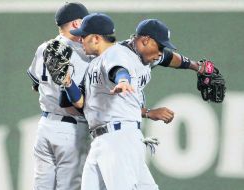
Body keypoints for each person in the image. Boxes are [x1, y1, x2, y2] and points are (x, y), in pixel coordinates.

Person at [62, 13, 160, 190]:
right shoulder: (95, 62)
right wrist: (67, 83)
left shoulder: (115, 53)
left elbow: (118, 70)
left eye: (84, 36)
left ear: (96, 38)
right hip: (105, 140)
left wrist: (123, 81)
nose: (80, 39)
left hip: (118, 138)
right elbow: (79, 103)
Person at [27, 2, 91, 190]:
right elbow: (73, 98)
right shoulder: (81, 54)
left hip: (45, 125)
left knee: (42, 186)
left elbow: (35, 85)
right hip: (71, 128)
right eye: (84, 23)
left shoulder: (44, 48)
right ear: (75, 24)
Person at [120, 19, 208, 122]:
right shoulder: (120, 60)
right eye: (160, 47)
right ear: (146, 40)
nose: (161, 53)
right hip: (111, 130)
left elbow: (168, 58)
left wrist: (197, 66)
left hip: (126, 127)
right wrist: (148, 113)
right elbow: (113, 108)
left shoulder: (145, 53)